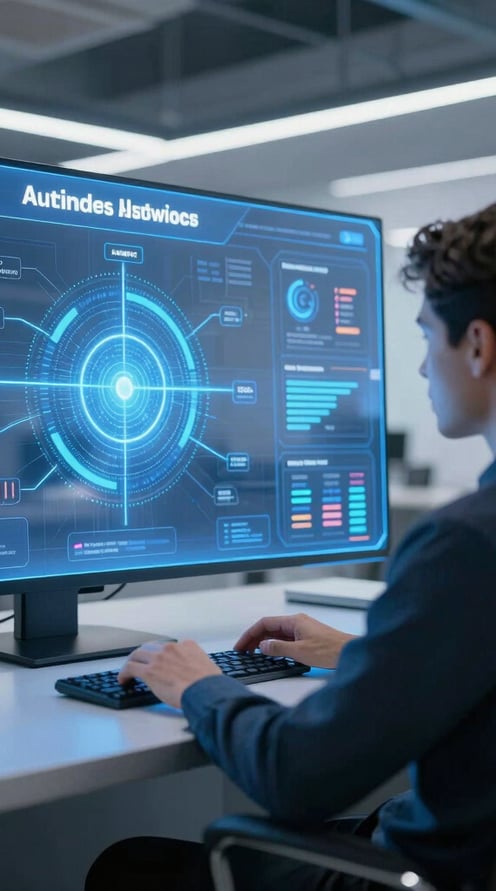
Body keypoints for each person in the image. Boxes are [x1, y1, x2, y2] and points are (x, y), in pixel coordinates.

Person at [85, 201, 496, 891]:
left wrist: (199, 685)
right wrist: (369, 660)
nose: (423, 367)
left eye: (429, 337)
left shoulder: (465, 545)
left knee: (128, 869)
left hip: (419, 876)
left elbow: (296, 776)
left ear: (478, 346)